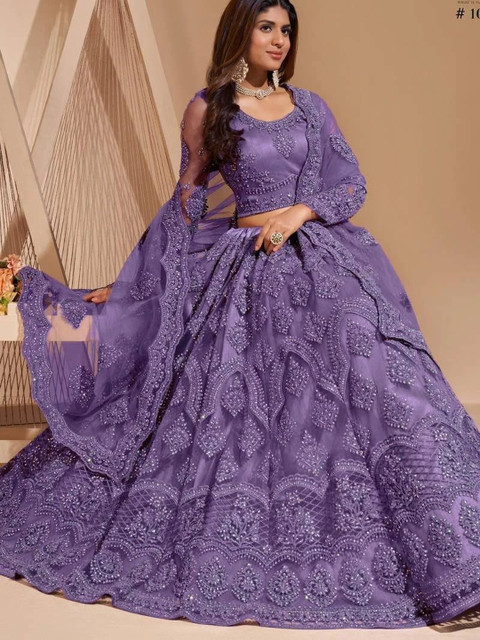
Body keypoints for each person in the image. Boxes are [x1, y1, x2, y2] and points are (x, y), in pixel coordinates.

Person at [1, 0, 480, 630]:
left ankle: (452, 555)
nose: (280, 40)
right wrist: (134, 277)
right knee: (240, 405)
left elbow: (351, 184)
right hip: (245, 271)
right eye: (267, 27)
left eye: (287, 30)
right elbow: (189, 208)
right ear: (240, 31)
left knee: (384, 378)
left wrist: (298, 213)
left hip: (324, 264)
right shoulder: (210, 109)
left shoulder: (310, 107)